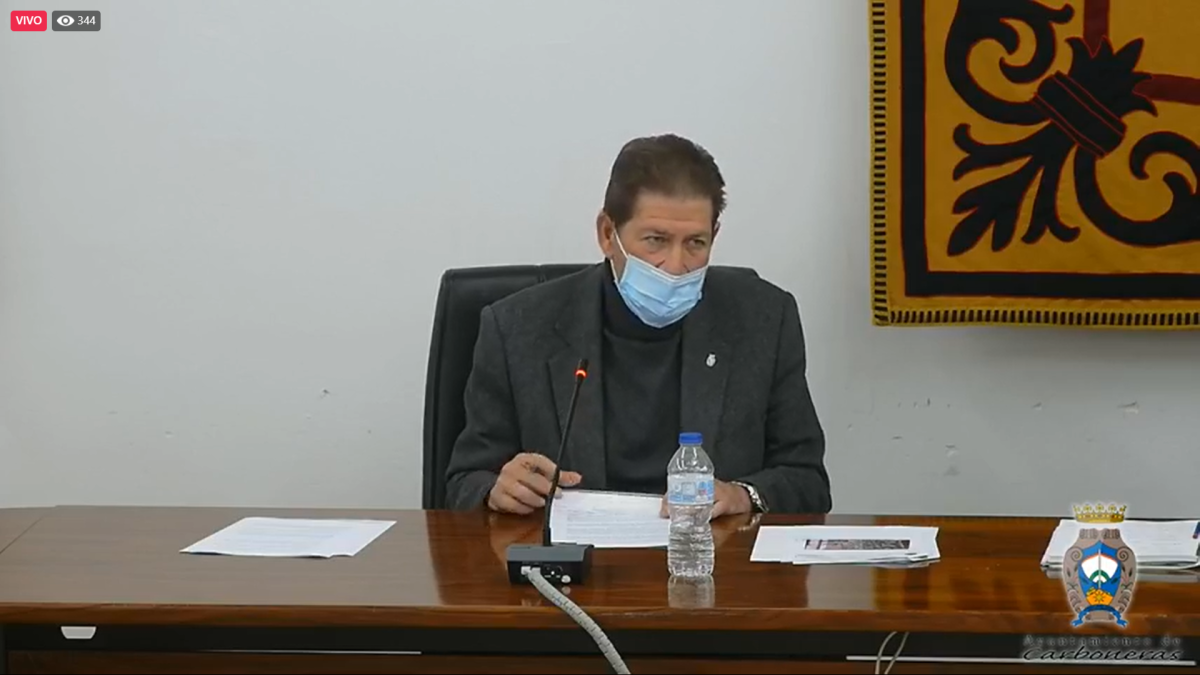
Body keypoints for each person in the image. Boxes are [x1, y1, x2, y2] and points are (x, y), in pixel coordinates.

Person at [444, 133, 831, 516]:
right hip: (572, 569)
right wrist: (496, 489)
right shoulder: (517, 327)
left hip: (706, 560)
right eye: (655, 240)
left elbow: (807, 481)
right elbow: (463, 482)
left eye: (695, 243)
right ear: (608, 234)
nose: (676, 265)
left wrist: (742, 495)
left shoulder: (764, 320)